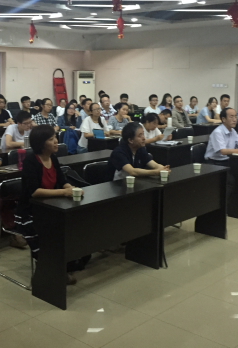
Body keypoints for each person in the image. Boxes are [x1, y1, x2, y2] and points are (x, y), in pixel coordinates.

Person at [15, 125, 89, 284]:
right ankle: (49, 270)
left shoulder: (53, 158)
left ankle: (66, 263)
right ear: (41, 143)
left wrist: (70, 188)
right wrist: (64, 193)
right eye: (51, 139)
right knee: (47, 233)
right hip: (29, 211)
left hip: (51, 207)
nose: (56, 141)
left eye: (55, 137)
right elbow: (35, 192)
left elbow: (62, 181)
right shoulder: (31, 161)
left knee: (73, 225)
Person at [106, 122, 171, 180]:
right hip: (117, 185)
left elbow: (153, 164)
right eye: (140, 135)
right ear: (130, 140)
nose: (144, 138)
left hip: (134, 182)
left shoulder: (140, 148)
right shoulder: (118, 152)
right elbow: (132, 171)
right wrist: (155, 172)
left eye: (143, 134)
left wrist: (163, 169)